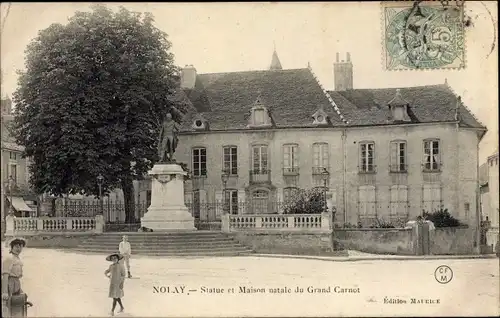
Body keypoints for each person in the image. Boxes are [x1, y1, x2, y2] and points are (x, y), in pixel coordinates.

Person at [2, 237, 31, 317]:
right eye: (17, 246)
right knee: (8, 306)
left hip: (16, 283)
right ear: (12, 247)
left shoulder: (17, 259)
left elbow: (17, 277)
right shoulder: (9, 258)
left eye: (21, 246)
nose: (19, 249)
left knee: (17, 306)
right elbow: (5, 276)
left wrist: (20, 290)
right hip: (9, 283)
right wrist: (4, 292)